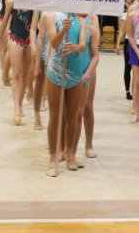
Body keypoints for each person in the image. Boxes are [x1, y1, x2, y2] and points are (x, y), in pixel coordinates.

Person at [44, 12, 87, 176]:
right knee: (55, 116)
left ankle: (70, 154)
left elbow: (83, 45)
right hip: (55, 70)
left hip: (74, 70)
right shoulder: (50, 16)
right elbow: (54, 43)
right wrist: (63, 30)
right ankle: (53, 157)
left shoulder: (81, 20)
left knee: (73, 115)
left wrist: (76, 47)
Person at [0, 0, 33, 126]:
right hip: (15, 38)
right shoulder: (12, 0)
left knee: (25, 74)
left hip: (29, 40)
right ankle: (17, 107)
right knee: (16, 72)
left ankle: (20, 103)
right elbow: (5, 21)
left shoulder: (34, 0)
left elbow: (37, 25)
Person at [75, 14, 100, 159]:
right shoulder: (69, 13)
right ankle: (64, 146)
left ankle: (89, 144)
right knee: (70, 109)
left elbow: (95, 40)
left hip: (88, 65)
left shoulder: (93, 17)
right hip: (72, 65)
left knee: (87, 106)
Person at [116, 0, 136, 100]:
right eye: (126, 2)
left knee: (137, 69)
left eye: (129, 2)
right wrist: (118, 43)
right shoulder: (125, 15)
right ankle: (127, 91)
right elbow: (122, 30)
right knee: (128, 67)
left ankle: (136, 91)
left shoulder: (138, 14)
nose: (127, 4)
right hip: (129, 41)